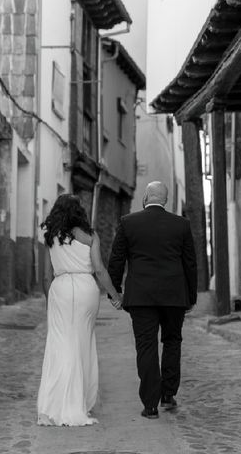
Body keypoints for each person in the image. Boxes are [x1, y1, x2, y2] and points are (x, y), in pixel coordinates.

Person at [108, 181, 197, 419]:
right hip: (174, 296)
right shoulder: (181, 225)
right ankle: (168, 393)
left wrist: (114, 291)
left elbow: (116, 260)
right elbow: (190, 263)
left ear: (146, 198)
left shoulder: (129, 223)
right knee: (172, 341)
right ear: (166, 200)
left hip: (141, 297)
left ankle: (150, 405)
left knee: (145, 345)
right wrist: (191, 296)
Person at [37, 194, 122, 427]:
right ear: (79, 212)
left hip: (60, 288)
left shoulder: (50, 237)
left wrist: (50, 300)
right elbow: (100, 270)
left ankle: (56, 403)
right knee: (82, 343)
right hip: (86, 288)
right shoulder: (91, 236)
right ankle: (79, 402)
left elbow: (45, 276)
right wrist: (115, 296)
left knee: (61, 344)